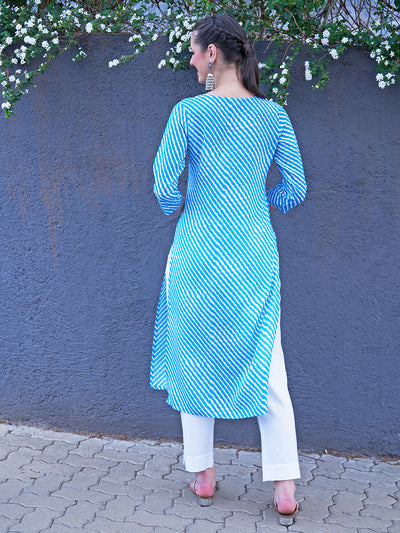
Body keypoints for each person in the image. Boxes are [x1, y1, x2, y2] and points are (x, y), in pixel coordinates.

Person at [150, 12, 307, 526]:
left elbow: (164, 187)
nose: (192, 61)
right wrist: (256, 204)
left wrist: (183, 205)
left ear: (213, 54)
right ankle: (284, 486)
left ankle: (203, 475)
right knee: (269, 364)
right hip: (253, 255)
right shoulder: (273, 115)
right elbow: (296, 189)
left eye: (195, 52)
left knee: (193, 358)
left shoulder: (189, 113)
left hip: (197, 252)